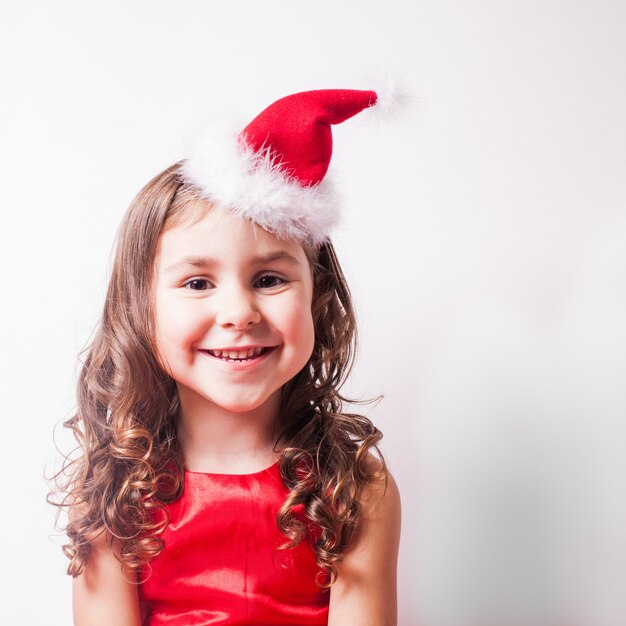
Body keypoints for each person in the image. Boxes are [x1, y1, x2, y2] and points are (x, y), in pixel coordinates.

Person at [50, 89, 402, 625]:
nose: (238, 312)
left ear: (318, 294)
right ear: (140, 309)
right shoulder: (114, 491)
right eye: (197, 282)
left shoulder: (354, 487)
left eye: (268, 279)